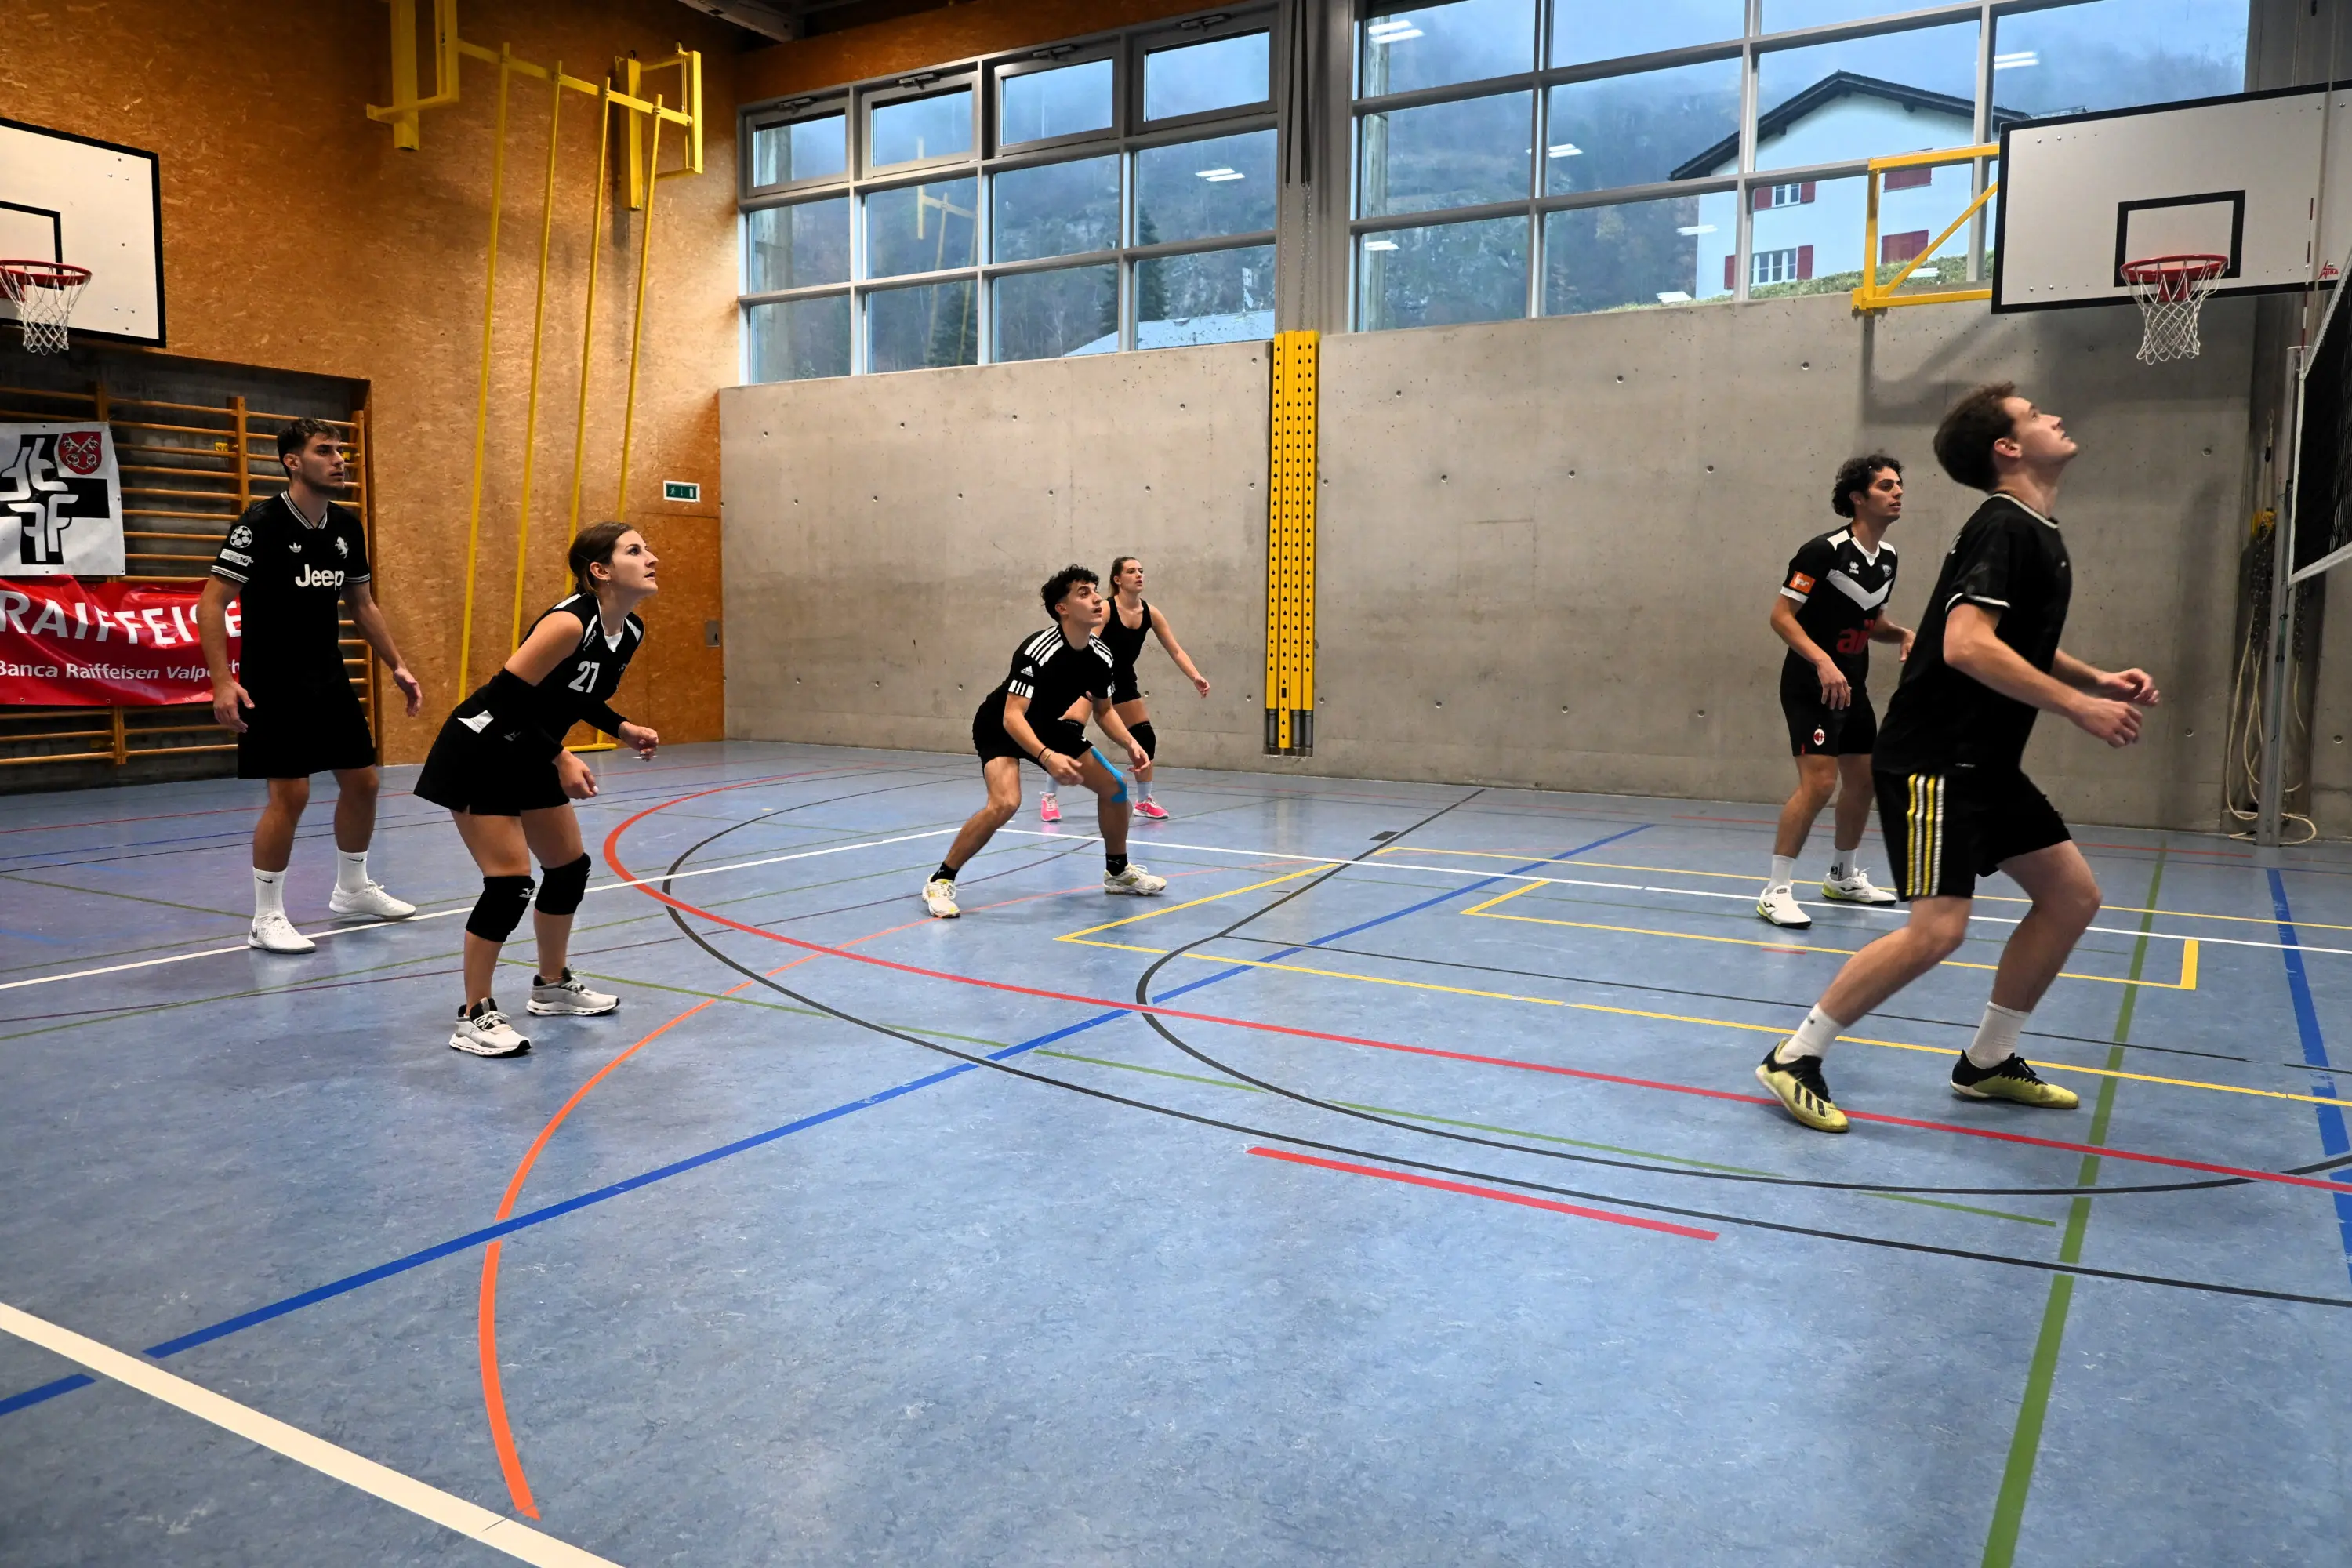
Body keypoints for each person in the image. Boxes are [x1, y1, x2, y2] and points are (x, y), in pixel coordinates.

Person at [1755, 384, 2160, 1133]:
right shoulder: (2002, 526)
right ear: (2007, 448)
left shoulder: (2032, 528)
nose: (2054, 417)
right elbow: (1968, 646)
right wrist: (2077, 708)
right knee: (1938, 930)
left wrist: (2095, 679)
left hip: (1986, 761)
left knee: (2071, 898)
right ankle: (1794, 1056)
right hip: (1936, 758)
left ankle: (1987, 1061)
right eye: (2035, 415)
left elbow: (2010, 641)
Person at [413, 523, 660, 1057]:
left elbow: (577, 695)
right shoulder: (568, 623)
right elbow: (505, 699)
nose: (651, 558)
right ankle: (474, 1014)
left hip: (529, 747)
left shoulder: (629, 631)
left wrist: (621, 727)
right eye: (635, 550)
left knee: (569, 868)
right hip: (480, 748)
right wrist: (561, 756)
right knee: (508, 884)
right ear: (600, 570)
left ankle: (551, 986)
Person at [200, 416, 423, 954]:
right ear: (293, 462)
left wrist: (397, 664)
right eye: (325, 451)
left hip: (328, 676)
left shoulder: (346, 527)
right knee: (292, 795)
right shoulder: (260, 525)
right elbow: (211, 604)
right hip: (272, 681)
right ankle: (266, 918)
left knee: (364, 783)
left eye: (340, 451)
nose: (339, 460)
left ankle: (352, 889)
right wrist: (222, 682)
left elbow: (362, 604)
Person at [926, 564, 1167, 918]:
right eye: (1084, 593)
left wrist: (1131, 743)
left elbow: (1104, 711)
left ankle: (1117, 872)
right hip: (1000, 725)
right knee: (1005, 803)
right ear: (1062, 608)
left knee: (1116, 789)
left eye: (1095, 590)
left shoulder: (1102, 657)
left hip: (1045, 725)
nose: (1096, 599)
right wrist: (1046, 756)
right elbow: (1012, 716)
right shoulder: (1038, 649)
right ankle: (941, 879)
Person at [1757, 455, 1915, 928]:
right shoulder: (1822, 552)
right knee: (1820, 784)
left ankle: (1842, 877)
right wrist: (1822, 661)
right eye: (1886, 486)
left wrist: (1902, 634)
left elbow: (1871, 621)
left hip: (1853, 684)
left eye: (1899, 485)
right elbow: (1781, 616)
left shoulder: (1888, 558)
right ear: (1858, 498)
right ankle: (1775, 891)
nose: (1898, 492)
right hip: (1811, 683)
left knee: (1863, 781)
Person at [1039, 556, 1210, 825]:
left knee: (1145, 737)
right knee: (1069, 732)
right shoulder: (1106, 609)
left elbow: (1175, 650)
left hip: (1123, 680)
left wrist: (1195, 676)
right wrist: (1085, 680)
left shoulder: (1150, 613)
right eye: (1131, 571)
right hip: (1091, 675)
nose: (1139, 575)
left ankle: (1144, 800)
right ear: (1118, 580)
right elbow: (1089, 643)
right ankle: (1049, 797)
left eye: (1141, 570)